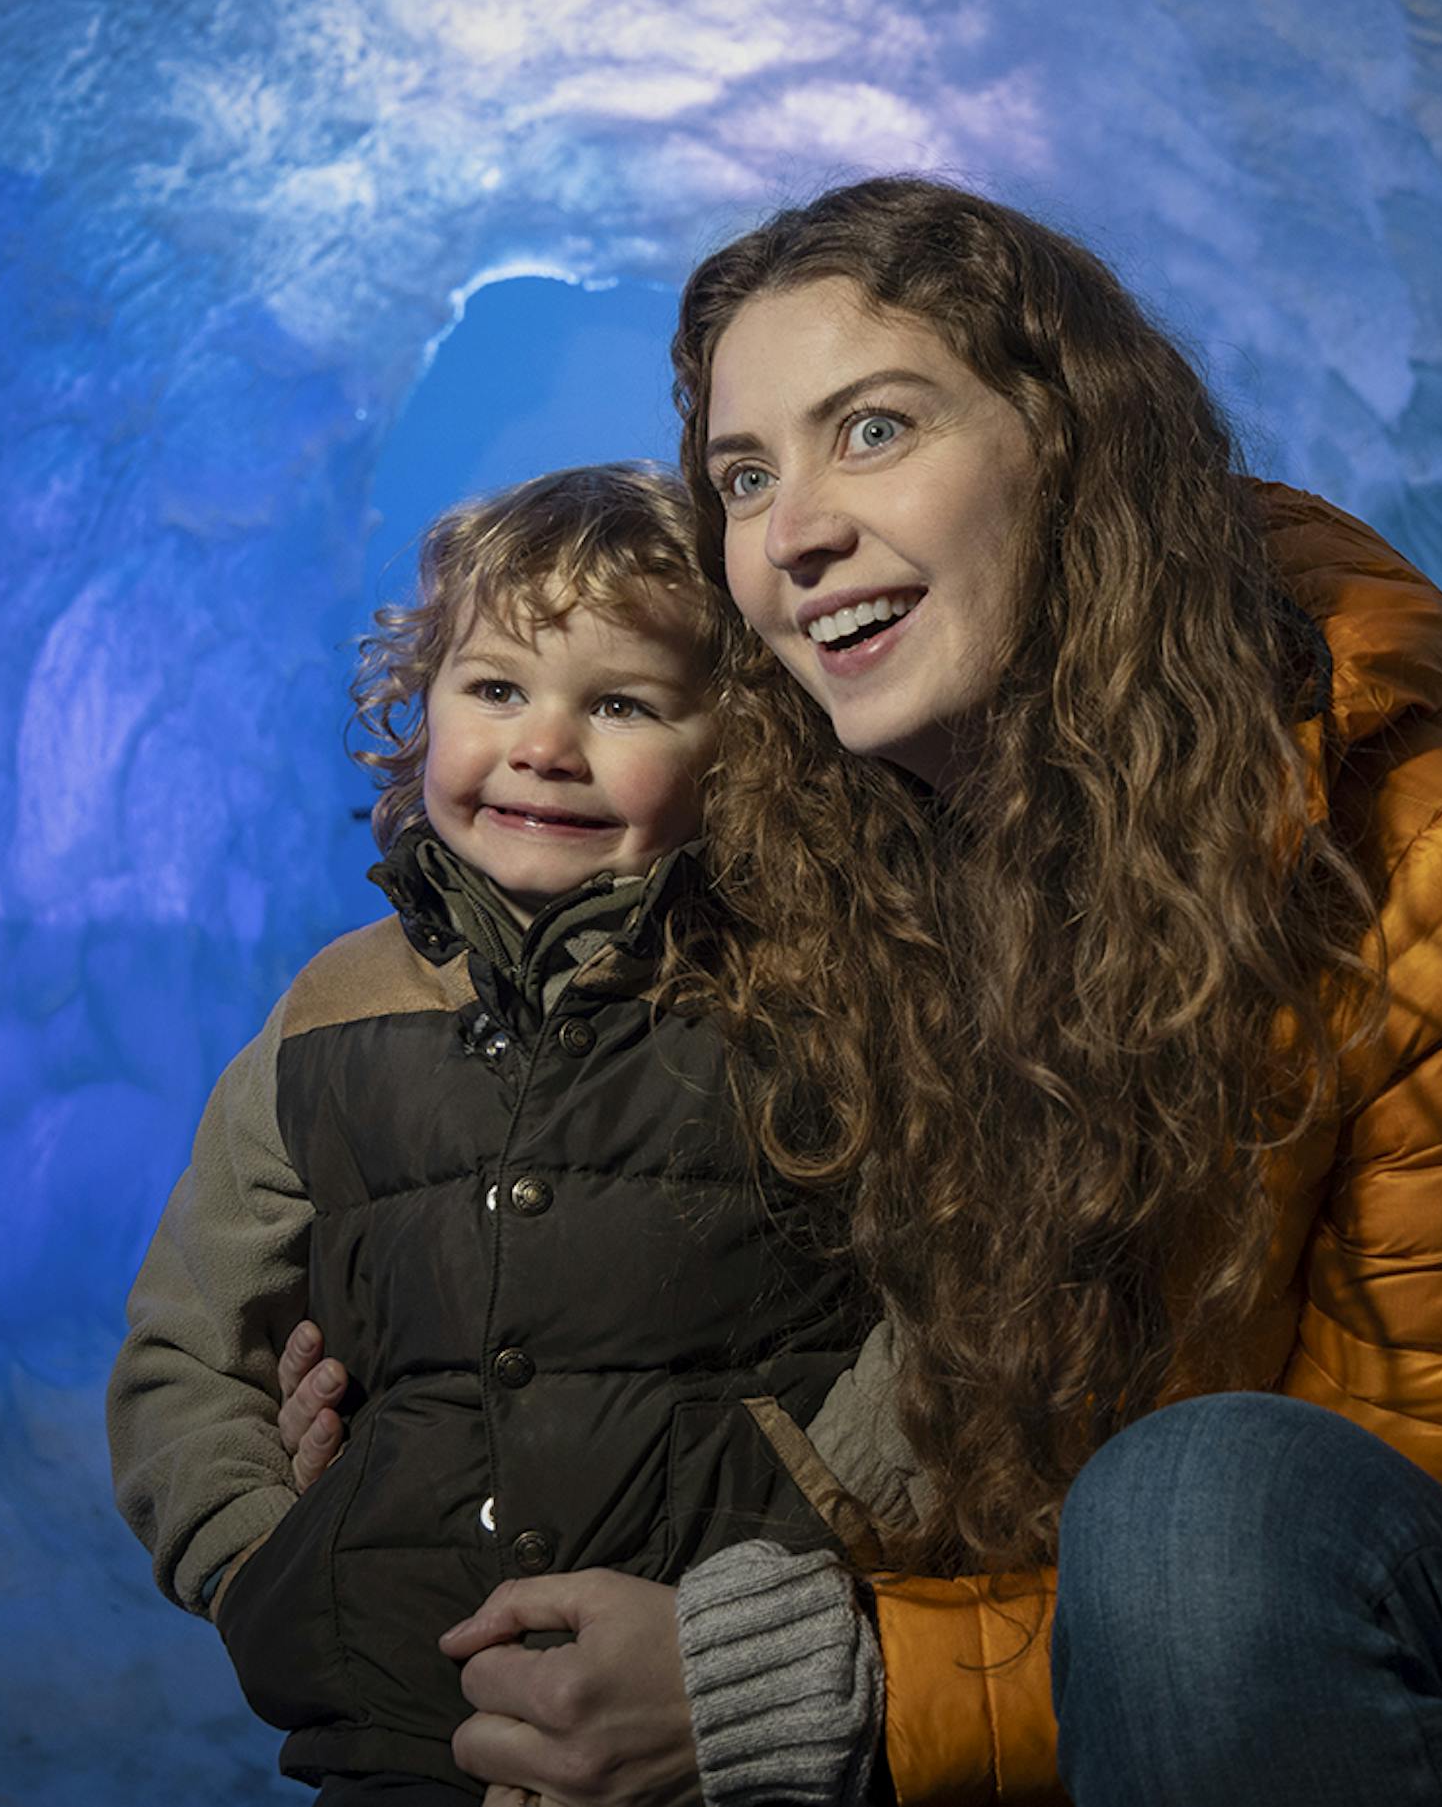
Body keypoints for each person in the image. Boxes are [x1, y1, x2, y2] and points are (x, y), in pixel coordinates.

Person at [428, 180, 1442, 1807]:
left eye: (874, 430)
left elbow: (1372, 1574)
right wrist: (410, 1371)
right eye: (744, 476)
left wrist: (834, 1689)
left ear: (1074, 449)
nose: (794, 527)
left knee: (1201, 1510)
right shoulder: (851, 902)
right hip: (1106, 1723)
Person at [108, 464, 878, 1806]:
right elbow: (190, 1346)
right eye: (497, 687)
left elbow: (947, 1309)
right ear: (421, 707)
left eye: (622, 702)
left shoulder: (807, 1005)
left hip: (715, 1735)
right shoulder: (333, 1014)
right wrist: (271, 1571)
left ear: (734, 744)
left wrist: (828, 1525)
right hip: (405, 1746)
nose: (545, 743)